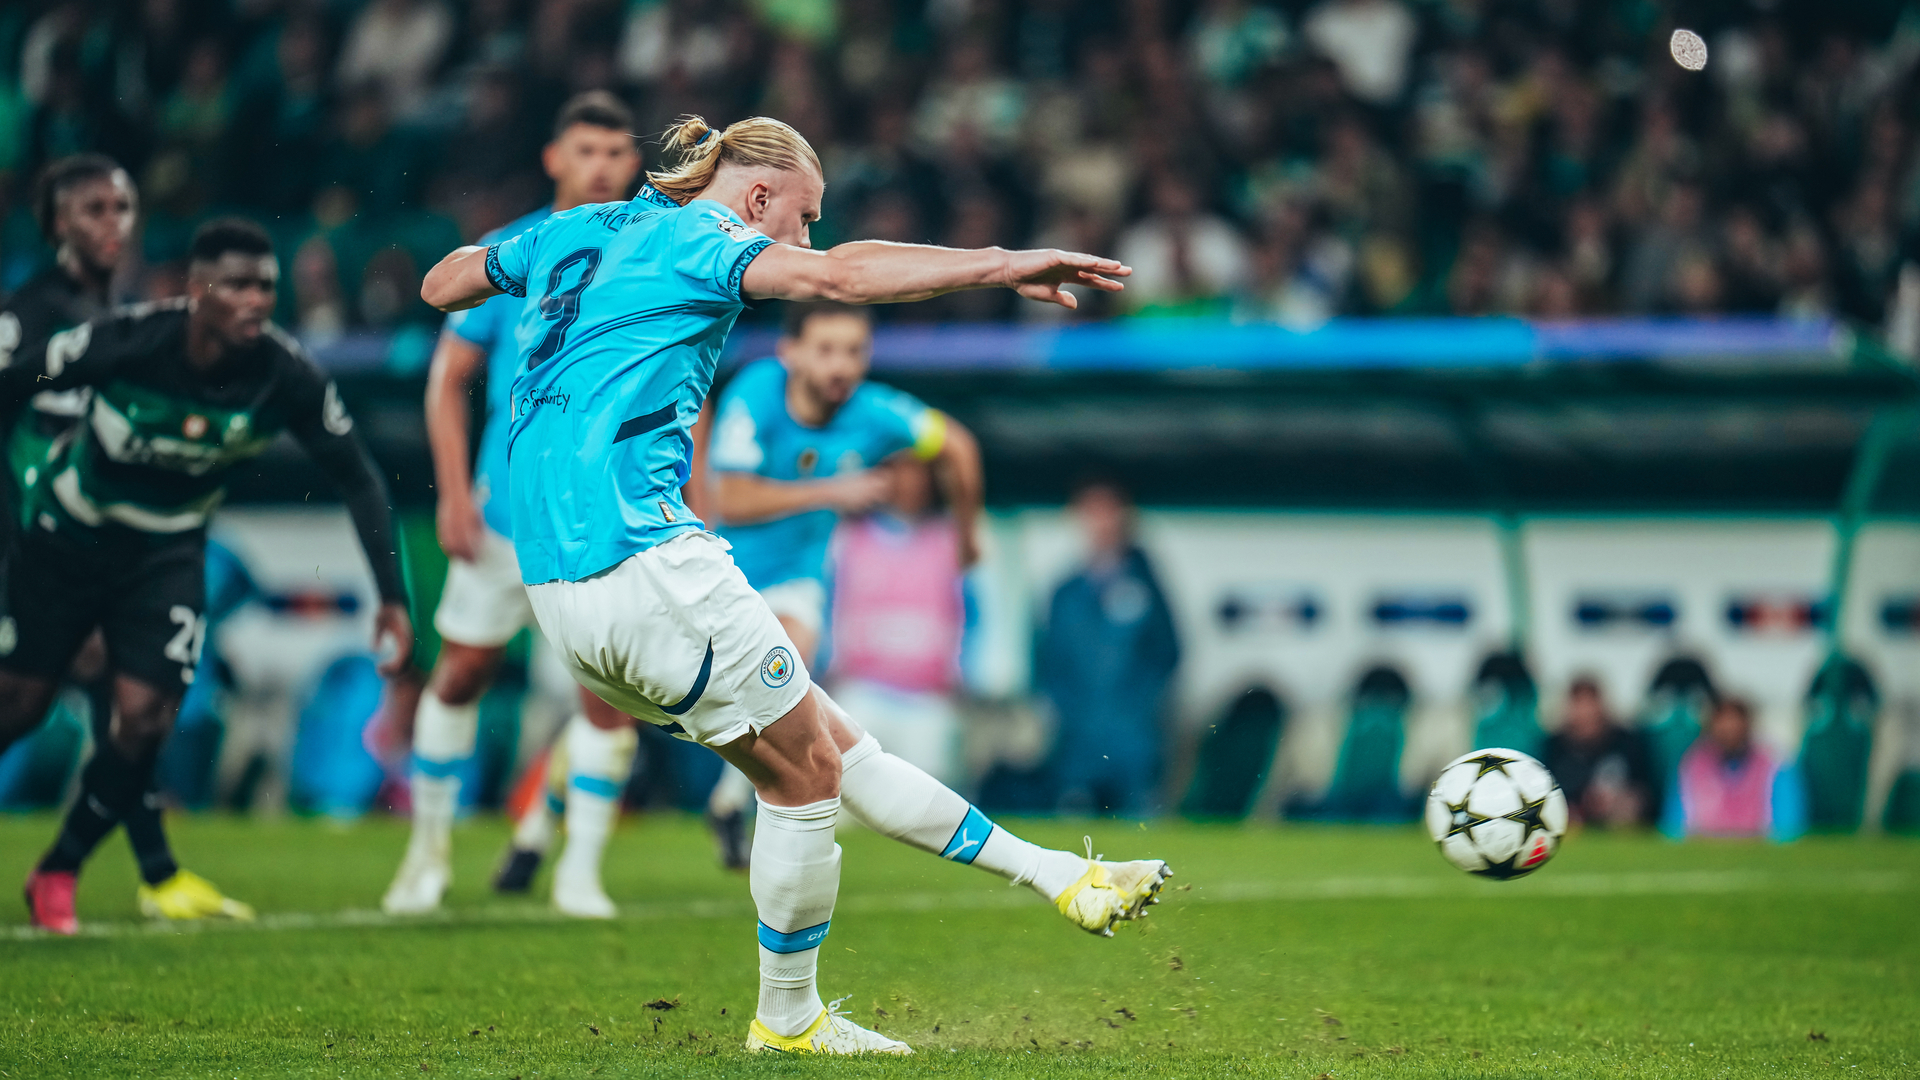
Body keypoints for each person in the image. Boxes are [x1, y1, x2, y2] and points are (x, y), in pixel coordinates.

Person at [422, 113, 1166, 1056]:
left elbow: (442, 282)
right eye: (803, 215)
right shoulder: (707, 237)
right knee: (810, 776)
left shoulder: (575, 228)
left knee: (833, 747)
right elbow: (838, 274)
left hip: (560, 597)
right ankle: (789, 1019)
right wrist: (998, 263)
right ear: (758, 195)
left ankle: (1060, 875)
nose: (805, 237)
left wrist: (516, 263)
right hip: (648, 561)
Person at [0, 217, 412, 934]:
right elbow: (18, 379)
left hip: (167, 556)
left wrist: (393, 599)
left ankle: (59, 869)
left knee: (147, 719)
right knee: (22, 707)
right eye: (239, 287)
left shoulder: (286, 375)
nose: (257, 301)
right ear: (198, 291)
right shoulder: (130, 340)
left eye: (267, 287)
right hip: (68, 542)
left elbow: (360, 479)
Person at [382, 91, 647, 921]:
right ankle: (426, 857)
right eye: (586, 151)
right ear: (555, 158)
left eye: (615, 152)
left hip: (605, 521)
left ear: (633, 163)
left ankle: (580, 874)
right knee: (460, 672)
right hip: (505, 518)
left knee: (607, 696)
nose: (601, 166)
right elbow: (449, 379)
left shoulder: (653, 249)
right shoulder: (512, 251)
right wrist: (454, 495)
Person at [2, 155, 251, 928]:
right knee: (44, 703)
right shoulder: (28, 314)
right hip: (32, 544)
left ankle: (149, 873)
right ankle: (147, 872)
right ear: (56, 225)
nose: (114, 224)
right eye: (93, 210)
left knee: (127, 704)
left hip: (102, 550)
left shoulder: (133, 316)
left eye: (122, 207)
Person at [696, 301, 983, 861]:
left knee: (787, 669)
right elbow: (730, 498)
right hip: (721, 568)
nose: (841, 367)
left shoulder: (875, 411)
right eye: (826, 350)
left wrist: (966, 535)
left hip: (797, 577)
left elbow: (959, 447)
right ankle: (548, 818)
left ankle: (734, 800)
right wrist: (832, 491)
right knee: (638, 706)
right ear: (791, 352)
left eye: (854, 352)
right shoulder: (758, 391)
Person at [1039, 480, 1181, 816]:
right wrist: (1066, 711)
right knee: (1077, 833)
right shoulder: (1066, 591)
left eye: (1108, 511)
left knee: (1141, 826)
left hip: (1135, 735)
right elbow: (1048, 660)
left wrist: (1142, 704)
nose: (1101, 522)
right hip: (1078, 737)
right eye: (1092, 512)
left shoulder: (1147, 582)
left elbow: (1169, 651)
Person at [826, 456, 970, 784]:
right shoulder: (847, 540)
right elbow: (825, 605)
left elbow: (973, 617)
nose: (910, 484)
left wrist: (964, 674)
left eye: (918, 475)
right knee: (846, 792)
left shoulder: (949, 542)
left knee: (930, 801)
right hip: (861, 692)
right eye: (901, 473)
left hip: (928, 698)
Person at [1671, 695, 1804, 840]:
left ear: (1748, 724)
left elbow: (1787, 828)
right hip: (1705, 850)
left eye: (1735, 721)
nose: (1729, 728)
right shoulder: (1694, 764)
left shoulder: (1773, 765)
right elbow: (1676, 827)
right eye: (1722, 722)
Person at [1542, 675, 1653, 828]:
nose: (1585, 712)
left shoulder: (1628, 743)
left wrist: (1624, 800)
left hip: (1619, 824)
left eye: (1589, 703)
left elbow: (1647, 791)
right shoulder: (1553, 746)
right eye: (1579, 703)